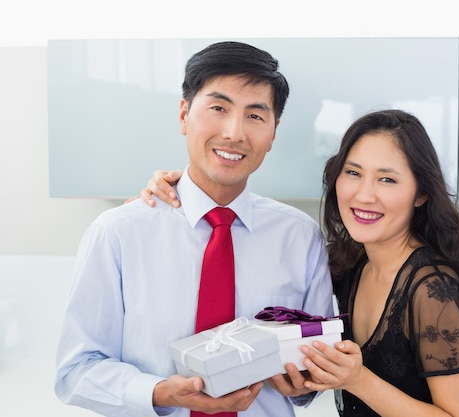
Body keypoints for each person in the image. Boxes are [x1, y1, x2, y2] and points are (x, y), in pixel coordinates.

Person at [145, 109, 459, 417]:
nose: (363, 194)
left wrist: (358, 380)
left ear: (422, 193)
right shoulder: (349, 264)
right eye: (353, 173)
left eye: (387, 179)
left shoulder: (434, 290)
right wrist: (175, 190)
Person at [54, 41, 334, 417]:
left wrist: (304, 385)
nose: (234, 133)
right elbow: (75, 371)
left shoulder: (300, 238)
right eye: (218, 108)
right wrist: (160, 392)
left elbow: (309, 371)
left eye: (255, 115)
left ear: (273, 132)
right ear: (184, 114)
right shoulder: (118, 232)